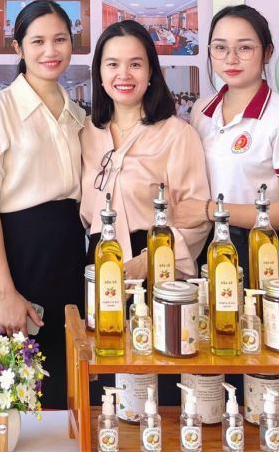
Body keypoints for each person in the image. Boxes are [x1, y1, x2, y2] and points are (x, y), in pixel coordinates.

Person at [0, 0, 85, 409]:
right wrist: (6, 291)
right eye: (38, 41)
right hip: (18, 254)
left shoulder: (76, 113)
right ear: (18, 47)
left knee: (66, 378)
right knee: (16, 384)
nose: (50, 51)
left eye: (60, 40)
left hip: (68, 253)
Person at [80, 21, 210, 280]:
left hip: (156, 266)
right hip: (98, 262)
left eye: (135, 64)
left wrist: (148, 260)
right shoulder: (86, 132)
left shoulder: (177, 134)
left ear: (151, 71)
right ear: (100, 73)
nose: (124, 74)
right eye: (113, 64)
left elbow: (196, 219)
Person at [191, 4, 279, 278]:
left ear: (267, 53)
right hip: (206, 244)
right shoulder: (201, 111)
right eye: (220, 48)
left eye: (245, 48)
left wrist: (210, 211)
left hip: (261, 249)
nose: (231, 59)